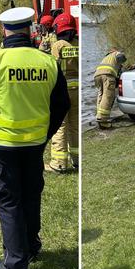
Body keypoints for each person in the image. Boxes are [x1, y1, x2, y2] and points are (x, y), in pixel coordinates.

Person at [0, 6, 70, 269]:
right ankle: (31, 247)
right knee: (31, 195)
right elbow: (62, 105)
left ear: (3, 30)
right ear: (31, 28)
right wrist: (45, 133)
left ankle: (16, 266)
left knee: (8, 201)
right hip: (34, 144)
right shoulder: (47, 62)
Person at [46, 13, 79, 172]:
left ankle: (59, 164)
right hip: (78, 90)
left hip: (63, 90)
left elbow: (53, 68)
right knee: (75, 126)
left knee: (60, 125)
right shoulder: (78, 44)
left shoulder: (58, 45)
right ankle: (77, 160)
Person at [94, 49, 127, 128]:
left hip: (97, 75)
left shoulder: (107, 57)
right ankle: (103, 120)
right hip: (108, 75)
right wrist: (125, 59)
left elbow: (117, 66)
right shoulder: (117, 53)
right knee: (108, 96)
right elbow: (121, 57)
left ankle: (99, 116)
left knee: (101, 95)